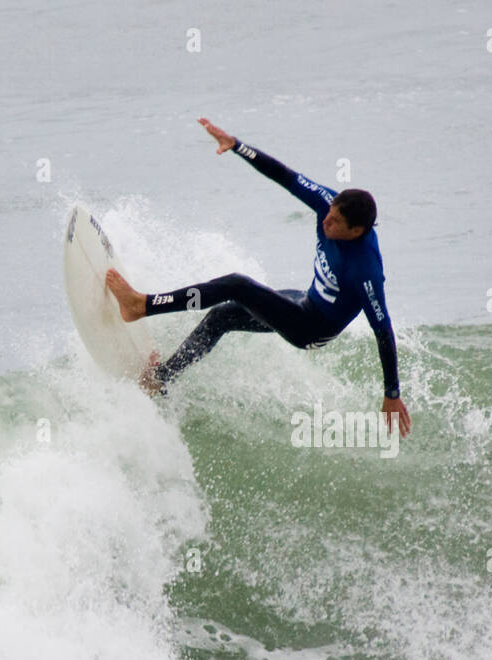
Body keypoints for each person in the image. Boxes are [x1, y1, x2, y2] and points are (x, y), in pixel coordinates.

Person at [106, 117, 411, 437]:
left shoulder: (366, 272)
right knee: (220, 317)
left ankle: (141, 305)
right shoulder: (329, 204)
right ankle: (160, 380)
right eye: (329, 214)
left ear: (357, 231)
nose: (326, 223)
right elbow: (284, 175)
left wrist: (392, 394)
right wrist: (237, 146)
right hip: (305, 300)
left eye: (335, 222)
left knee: (237, 285)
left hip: (311, 328)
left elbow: (383, 330)